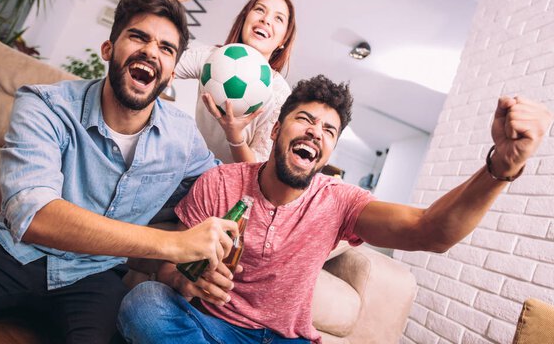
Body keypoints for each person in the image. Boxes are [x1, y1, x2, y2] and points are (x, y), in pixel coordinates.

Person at [117, 75, 553, 344]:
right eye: (304, 119)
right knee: (145, 303)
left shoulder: (339, 200)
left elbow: (429, 232)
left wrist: (499, 168)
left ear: (328, 151)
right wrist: (185, 279)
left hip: (283, 340)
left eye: (328, 130)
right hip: (208, 328)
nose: (315, 132)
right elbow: (166, 265)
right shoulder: (221, 183)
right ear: (276, 128)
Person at [0, 0, 241, 343]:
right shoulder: (45, 104)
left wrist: (238, 140)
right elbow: (34, 215)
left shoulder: (183, 139)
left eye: (166, 49)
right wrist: (172, 245)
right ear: (108, 49)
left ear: (170, 75)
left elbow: (229, 188)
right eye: (138, 36)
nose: (152, 50)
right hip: (9, 254)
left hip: (95, 277)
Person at [161, 0, 296, 164]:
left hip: (228, 189)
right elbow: (161, 63)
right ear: (245, 19)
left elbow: (258, 169)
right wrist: (166, 4)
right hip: (187, 168)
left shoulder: (280, 94)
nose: (266, 20)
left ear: (283, 40)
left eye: (278, 18)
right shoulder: (211, 57)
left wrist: (235, 136)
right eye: (259, 10)